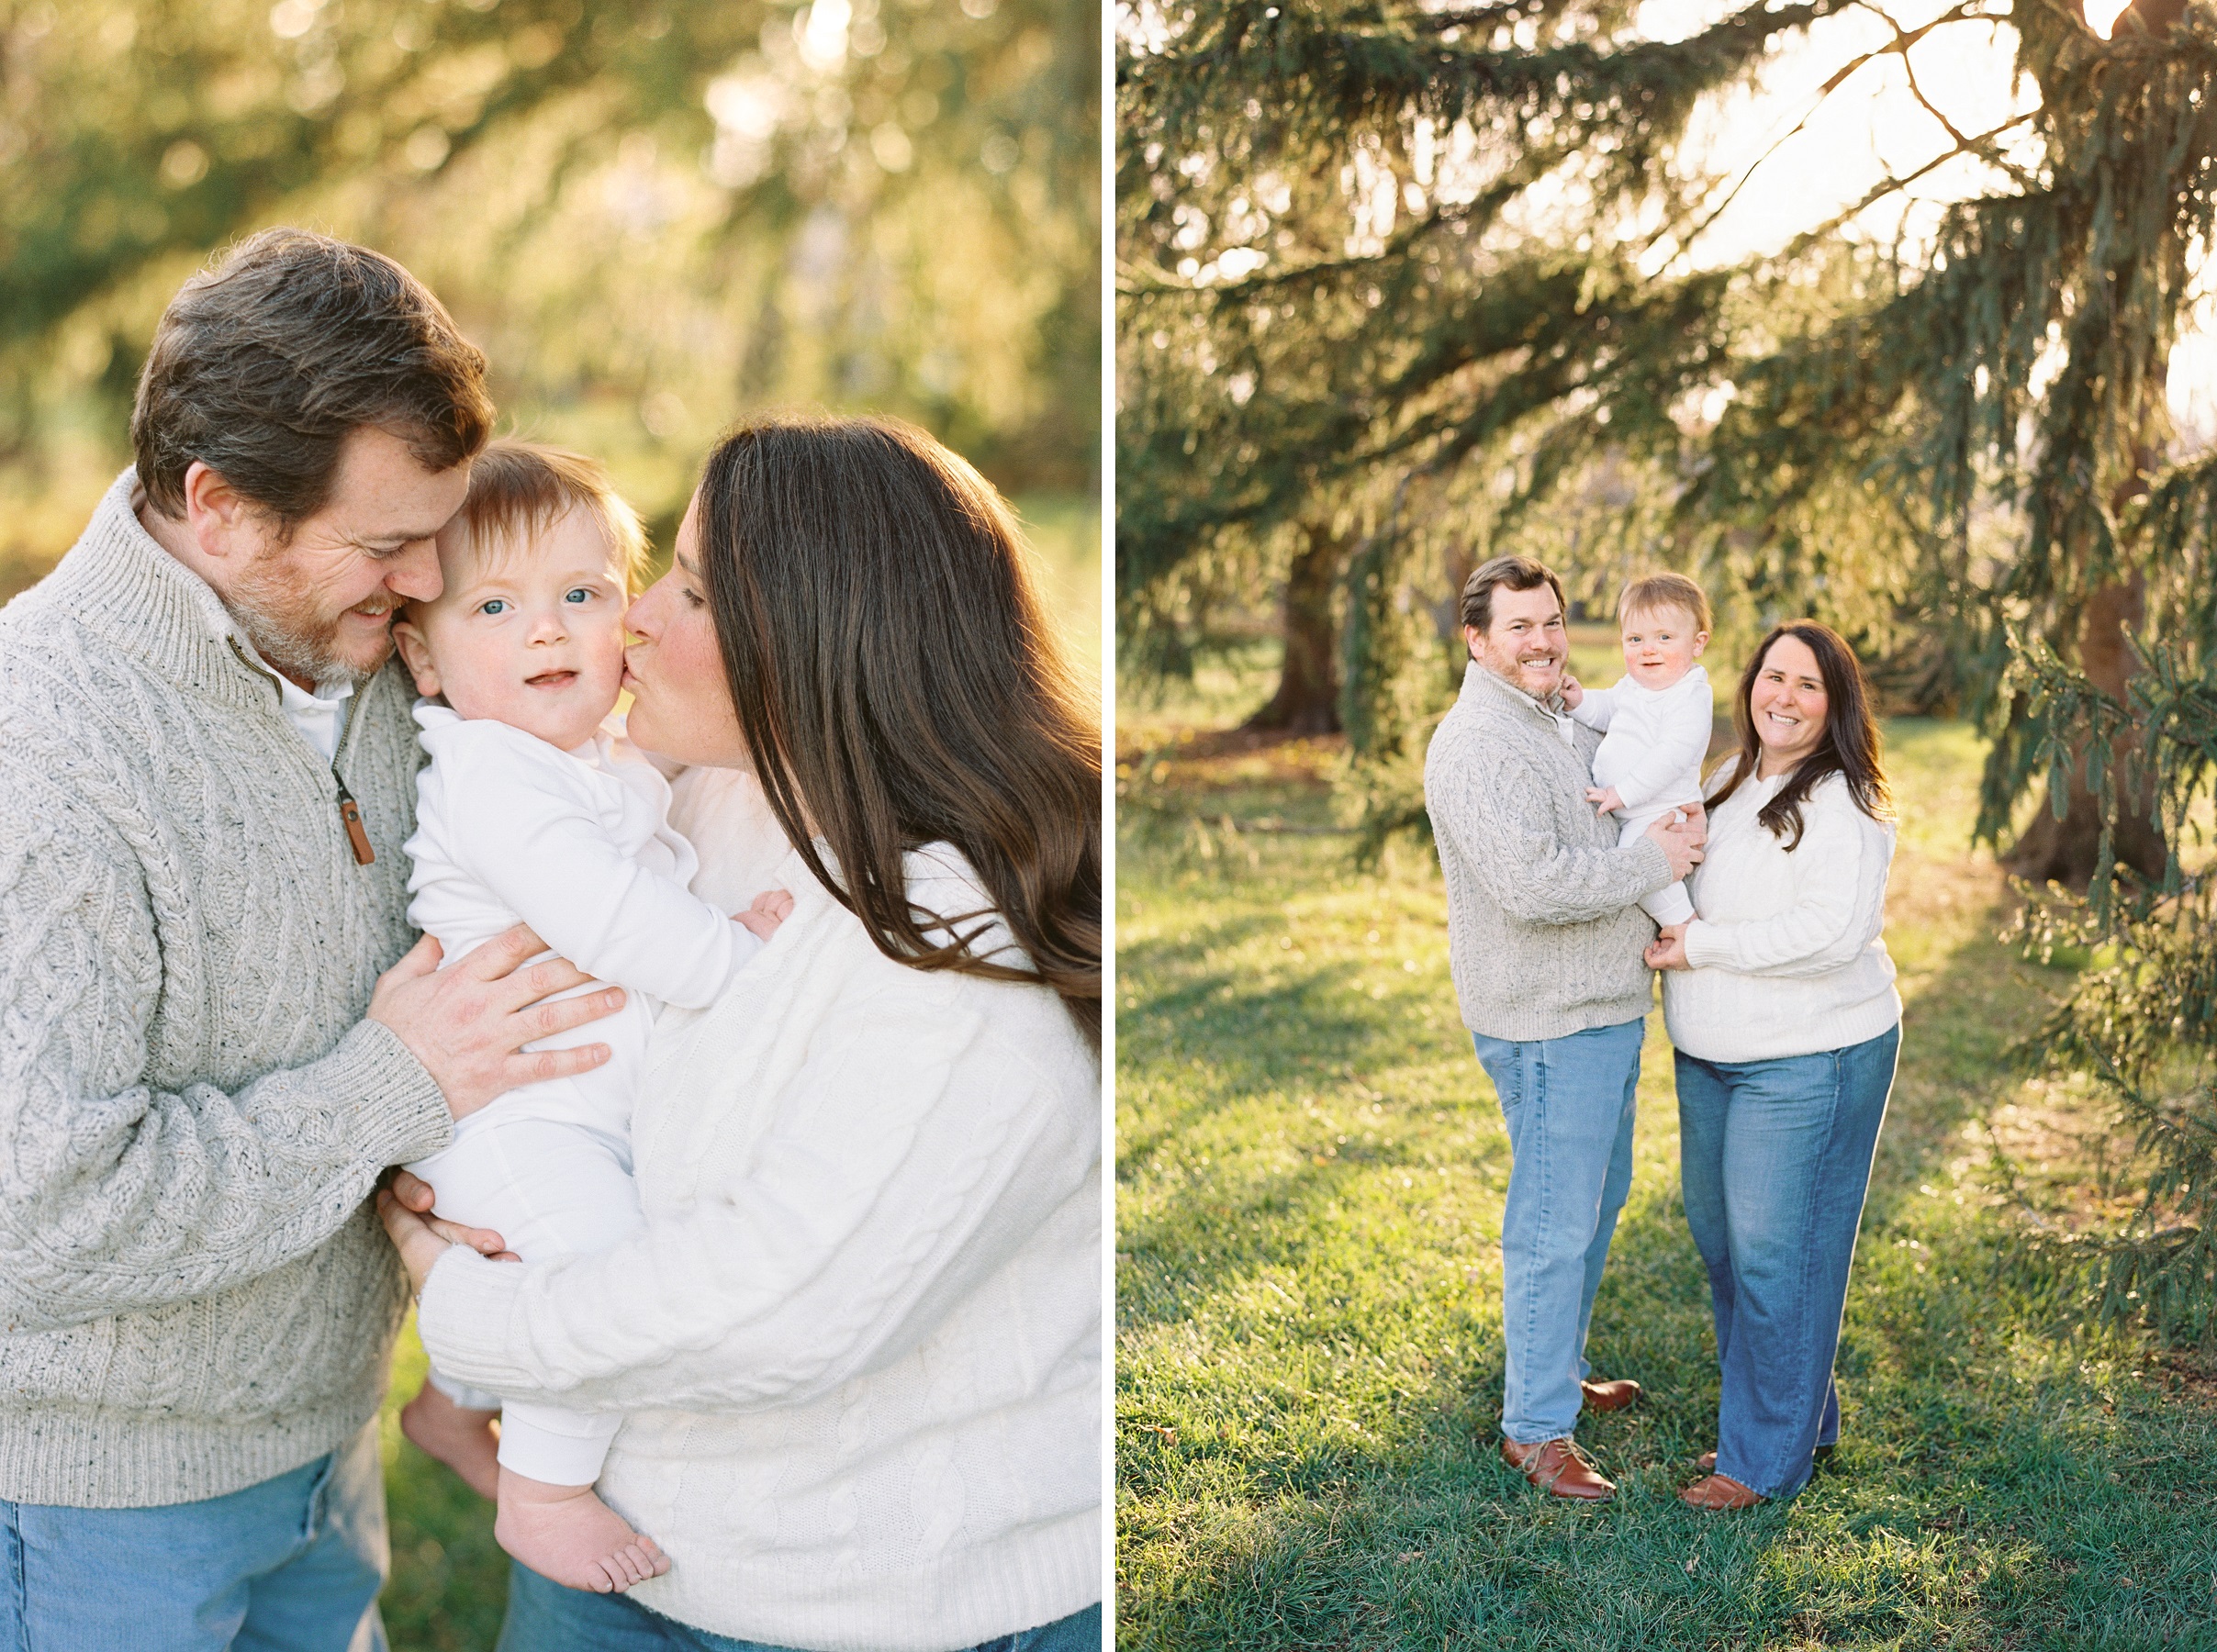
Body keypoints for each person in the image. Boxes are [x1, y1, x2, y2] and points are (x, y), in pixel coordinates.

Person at [379, 415, 1103, 1651]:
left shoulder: (962, 954)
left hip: (851, 1608)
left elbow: (781, 1305)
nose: (636, 619)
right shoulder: (710, 791)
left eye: (691, 591)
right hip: (617, 1546)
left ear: (824, 641)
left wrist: (468, 1312)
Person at [0, 229, 628, 1650]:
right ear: (217, 507)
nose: (424, 586)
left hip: (327, 1471)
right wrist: (384, 1096)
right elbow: (40, 1211)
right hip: (98, 1518)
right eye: (385, 545)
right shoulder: (40, 747)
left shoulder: (379, 659)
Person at [386, 441, 793, 1593]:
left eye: (583, 595)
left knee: (572, 1240)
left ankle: (451, 1409)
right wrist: (733, 956)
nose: (549, 633)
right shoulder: (492, 778)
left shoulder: (592, 756)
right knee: (591, 1268)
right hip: (514, 1124)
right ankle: (544, 1494)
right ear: (423, 654)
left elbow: (649, 820)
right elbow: (610, 914)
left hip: (579, 1113)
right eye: (497, 607)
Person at [1422, 554, 1706, 1503]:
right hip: (1547, 1022)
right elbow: (1536, 884)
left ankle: (1557, 1371)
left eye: (1551, 622)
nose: (1542, 640)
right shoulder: (1473, 744)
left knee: (1595, 1201)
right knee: (1552, 1222)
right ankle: (1536, 1431)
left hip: (1603, 1008)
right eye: (1519, 627)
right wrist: (1655, 862)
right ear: (1476, 639)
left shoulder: (1544, 715)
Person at [1645, 621, 1902, 1511]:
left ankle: (1758, 1463)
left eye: (1807, 686)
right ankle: (1802, 1412)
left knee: (1773, 1257)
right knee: (1725, 1245)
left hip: (1809, 1057)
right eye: (1771, 677)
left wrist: (1701, 945)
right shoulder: (1728, 776)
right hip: (1712, 1054)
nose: (1781, 697)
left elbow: (1830, 936)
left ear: (1835, 706)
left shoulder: (1845, 805)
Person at [1562, 572, 1716, 927]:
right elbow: (1606, 709)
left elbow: (1671, 756)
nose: (1648, 649)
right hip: (1632, 808)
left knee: (1640, 860)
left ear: (1697, 643)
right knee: (1637, 859)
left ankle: (1682, 924)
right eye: (1635, 639)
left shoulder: (1689, 697)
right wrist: (1579, 701)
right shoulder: (1633, 685)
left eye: (1664, 637)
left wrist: (1623, 792)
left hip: (1660, 811)